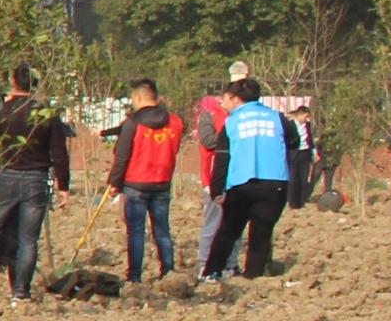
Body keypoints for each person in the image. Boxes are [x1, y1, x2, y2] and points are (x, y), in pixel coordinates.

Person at [0, 63, 73, 302]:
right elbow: (59, 153)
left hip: (7, 175)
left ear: (13, 81)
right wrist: (64, 187)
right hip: (37, 179)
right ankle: (21, 292)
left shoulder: (2, 113)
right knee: (28, 238)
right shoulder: (47, 114)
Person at [202, 85, 296, 280]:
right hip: (275, 182)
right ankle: (253, 276)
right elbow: (294, 140)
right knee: (261, 234)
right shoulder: (277, 117)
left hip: (241, 183)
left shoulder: (232, 122)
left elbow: (222, 159)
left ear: (236, 99)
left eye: (225, 98)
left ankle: (211, 273)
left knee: (228, 231)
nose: (223, 103)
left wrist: (216, 190)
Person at [107, 78, 185, 280]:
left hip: (136, 183)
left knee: (136, 232)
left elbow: (122, 155)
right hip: (162, 182)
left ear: (139, 98)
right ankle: (168, 271)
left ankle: (134, 275)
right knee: (162, 231)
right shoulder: (175, 121)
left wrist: (114, 183)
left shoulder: (133, 123)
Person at [189, 64, 244, 265]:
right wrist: (232, 136)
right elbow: (208, 140)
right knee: (213, 223)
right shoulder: (210, 115)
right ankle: (205, 262)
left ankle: (231, 263)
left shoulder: (239, 116)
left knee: (235, 224)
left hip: (237, 177)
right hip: (214, 177)